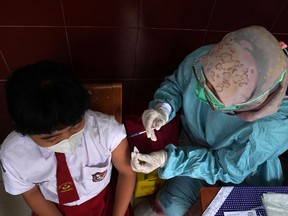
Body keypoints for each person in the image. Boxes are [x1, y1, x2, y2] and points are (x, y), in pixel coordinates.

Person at [130, 25, 288, 215]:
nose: (200, 91)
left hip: (243, 176)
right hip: (192, 150)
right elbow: (178, 84)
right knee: (169, 206)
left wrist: (168, 159)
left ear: (246, 106)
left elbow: (225, 168)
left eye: (214, 95)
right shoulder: (215, 59)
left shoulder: (274, 126)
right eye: (203, 80)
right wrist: (163, 108)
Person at [0, 61, 135, 216]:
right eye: (51, 138)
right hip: (53, 206)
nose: (67, 139)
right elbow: (31, 193)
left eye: (76, 126)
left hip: (102, 200)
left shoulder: (106, 132)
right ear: (23, 130)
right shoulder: (14, 156)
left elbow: (126, 172)